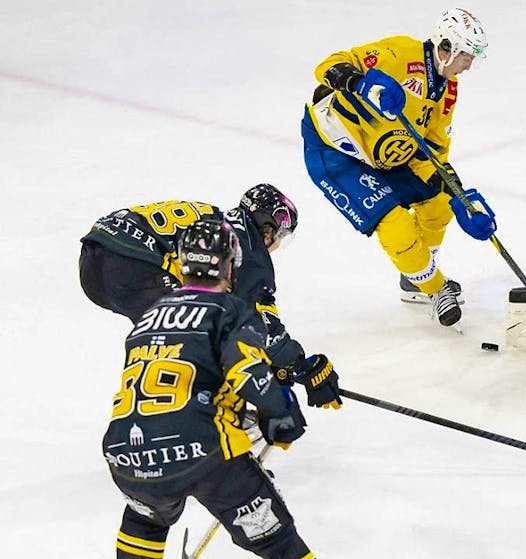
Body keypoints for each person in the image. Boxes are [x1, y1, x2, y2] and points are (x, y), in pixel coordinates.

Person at [101, 218, 342, 559]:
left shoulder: (148, 317)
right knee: (278, 543)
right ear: (230, 265)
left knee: (145, 525)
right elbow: (247, 372)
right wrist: (282, 415)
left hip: (127, 453)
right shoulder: (228, 310)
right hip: (205, 453)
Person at [301, 7, 494, 328]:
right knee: (395, 224)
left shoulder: (448, 89)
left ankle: (414, 277)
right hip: (337, 150)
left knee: (439, 207)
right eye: (466, 55)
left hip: (390, 152)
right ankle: (433, 288)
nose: (469, 64)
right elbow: (327, 66)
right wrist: (360, 83)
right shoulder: (399, 54)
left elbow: (433, 151)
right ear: (446, 47)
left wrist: (460, 197)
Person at [80, 184, 316, 379]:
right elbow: (263, 324)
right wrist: (298, 364)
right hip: (131, 265)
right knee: (196, 339)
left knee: (177, 337)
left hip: (92, 262)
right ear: (269, 229)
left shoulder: (216, 219)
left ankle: (155, 402)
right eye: (281, 237)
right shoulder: (248, 243)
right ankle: (195, 414)